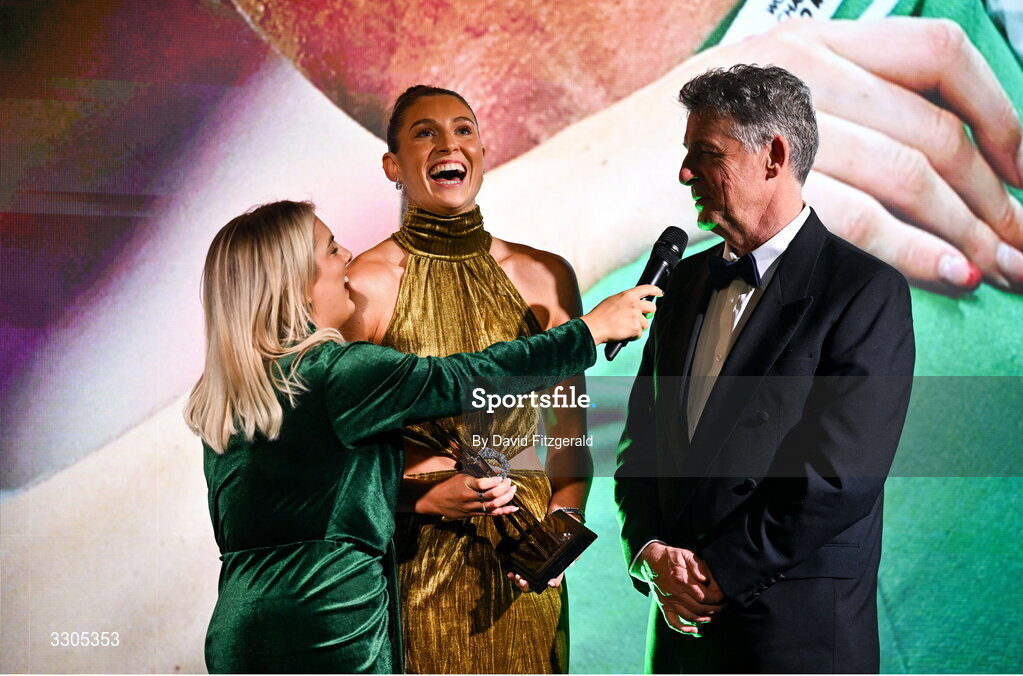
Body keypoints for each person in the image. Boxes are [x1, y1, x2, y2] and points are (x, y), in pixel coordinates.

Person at [182, 199, 657, 673]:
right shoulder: (338, 374)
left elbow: (315, 501)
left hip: (237, 631)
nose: (347, 254)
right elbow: (464, 378)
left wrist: (423, 499)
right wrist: (588, 331)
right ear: (296, 283)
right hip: (330, 627)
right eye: (330, 249)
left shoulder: (229, 395)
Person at [614, 65, 916, 673]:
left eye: (706, 154)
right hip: (679, 632)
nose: (684, 173)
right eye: (686, 154)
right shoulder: (683, 283)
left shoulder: (865, 291)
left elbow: (838, 475)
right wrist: (647, 550)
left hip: (796, 636)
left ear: (774, 156)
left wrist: (717, 573)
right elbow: (640, 445)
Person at [341, 85, 591, 673]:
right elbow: (337, 463)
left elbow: (570, 439)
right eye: (425, 133)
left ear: (481, 151)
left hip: (526, 576)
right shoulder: (362, 285)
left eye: (462, 130)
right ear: (392, 165)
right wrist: (423, 496)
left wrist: (564, 526)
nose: (448, 144)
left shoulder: (546, 275)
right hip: (416, 574)